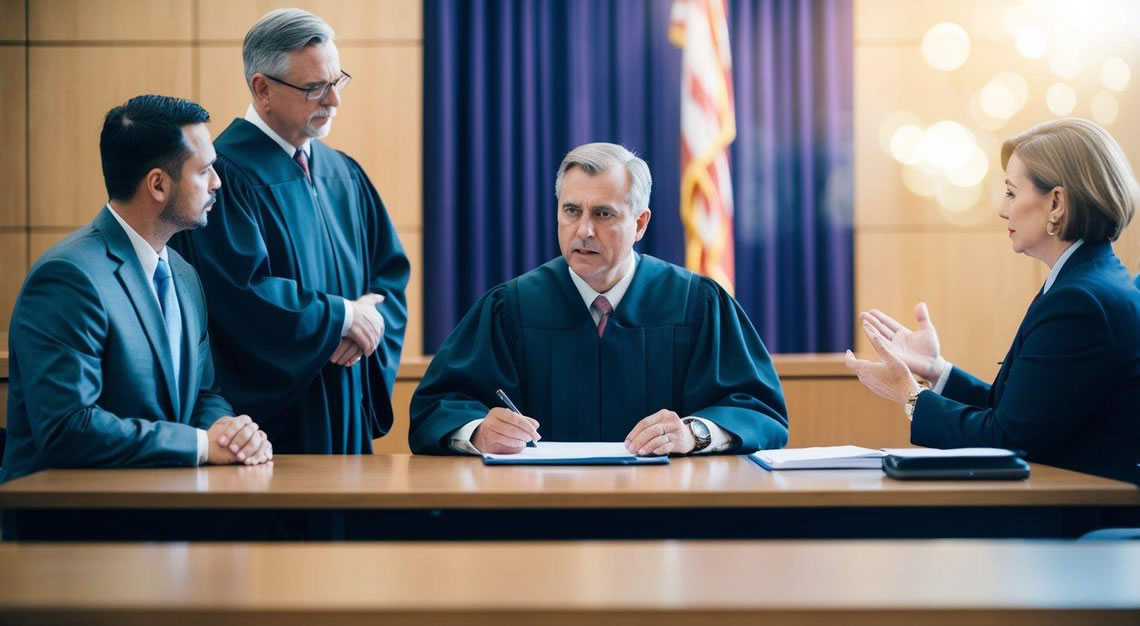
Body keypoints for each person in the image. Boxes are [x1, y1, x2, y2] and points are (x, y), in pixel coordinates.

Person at [410, 142, 788, 456]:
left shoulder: (696, 303)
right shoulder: (511, 307)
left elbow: (759, 411)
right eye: (571, 211)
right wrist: (477, 432)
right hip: (541, 520)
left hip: (665, 520)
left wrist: (695, 433)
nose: (584, 230)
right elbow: (436, 407)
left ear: (640, 223)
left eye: (603, 214)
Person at [846, 118, 1140, 484]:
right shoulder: (1083, 280)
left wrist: (909, 395)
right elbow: (1021, 415)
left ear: (1057, 203)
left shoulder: (1080, 301)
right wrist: (936, 370)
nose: (1002, 209)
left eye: (1012, 193)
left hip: (1073, 518)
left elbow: (1007, 440)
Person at [172, 9, 409, 454]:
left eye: (337, 82)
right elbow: (239, 296)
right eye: (315, 88)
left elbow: (388, 276)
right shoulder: (223, 176)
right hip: (272, 430)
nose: (334, 101)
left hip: (346, 402)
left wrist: (367, 325)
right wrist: (340, 318)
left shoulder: (343, 173)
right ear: (263, 88)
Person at [1, 95, 272, 483]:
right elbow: (68, 429)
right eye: (205, 171)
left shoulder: (182, 273)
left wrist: (231, 435)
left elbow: (204, 394)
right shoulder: (68, 278)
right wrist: (199, 445)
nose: (218, 183)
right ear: (158, 184)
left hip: (168, 510)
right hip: (76, 529)